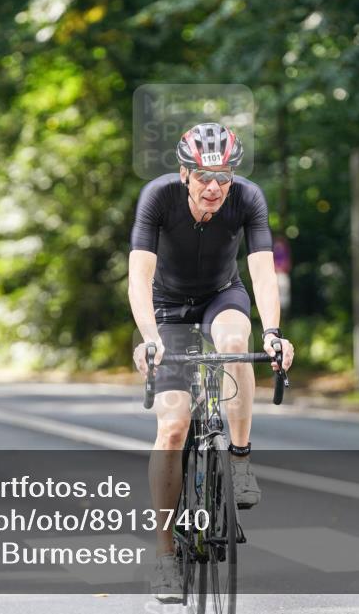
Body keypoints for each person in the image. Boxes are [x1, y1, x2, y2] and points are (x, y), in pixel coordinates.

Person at [129, 122, 295, 602]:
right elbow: (139, 277)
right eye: (204, 175)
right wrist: (150, 339)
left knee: (233, 342)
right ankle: (164, 559)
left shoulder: (247, 198)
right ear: (184, 173)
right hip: (168, 309)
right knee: (174, 427)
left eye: (223, 176)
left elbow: (262, 272)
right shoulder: (157, 197)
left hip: (223, 296)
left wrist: (274, 333)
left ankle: (240, 458)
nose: (214, 187)